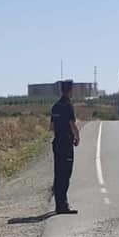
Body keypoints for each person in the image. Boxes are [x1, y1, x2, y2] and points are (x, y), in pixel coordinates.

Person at [51, 80, 81, 214]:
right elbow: (72, 124)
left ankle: (59, 203)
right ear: (70, 90)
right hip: (66, 143)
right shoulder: (68, 106)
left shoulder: (56, 106)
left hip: (57, 142)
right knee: (65, 174)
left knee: (58, 173)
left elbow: (51, 127)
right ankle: (63, 205)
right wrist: (77, 137)